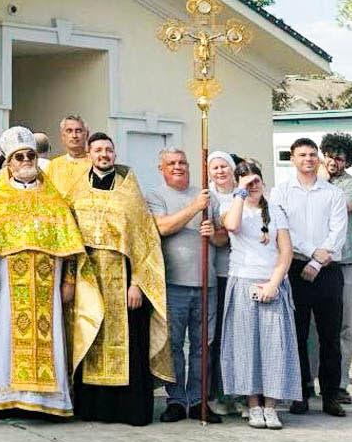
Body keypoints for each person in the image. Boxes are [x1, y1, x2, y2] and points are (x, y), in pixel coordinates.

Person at [0, 127, 97, 417]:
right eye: (19, 156)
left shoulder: (54, 200)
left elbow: (69, 247)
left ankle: (45, 402)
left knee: (48, 337)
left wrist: (68, 281)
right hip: (6, 285)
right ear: (9, 163)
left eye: (30, 155)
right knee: (4, 337)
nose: (26, 160)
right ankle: (6, 398)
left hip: (47, 285)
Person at [66, 132, 171, 426]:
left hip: (123, 277)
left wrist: (137, 282)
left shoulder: (130, 191)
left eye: (108, 150)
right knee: (90, 337)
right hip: (89, 278)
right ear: (89, 154)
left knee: (130, 345)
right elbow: (69, 239)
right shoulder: (75, 191)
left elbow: (144, 240)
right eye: (98, 150)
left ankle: (128, 411)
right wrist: (71, 280)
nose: (104, 154)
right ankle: (92, 408)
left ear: (114, 154)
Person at [266, 137, 348, 417]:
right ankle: (299, 393)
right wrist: (312, 255)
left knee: (330, 336)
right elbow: (283, 229)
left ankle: (331, 395)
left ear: (319, 159)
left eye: (313, 155)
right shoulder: (280, 192)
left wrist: (318, 262)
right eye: (302, 155)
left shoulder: (333, 193)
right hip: (296, 268)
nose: (308, 159)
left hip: (328, 271)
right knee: (297, 335)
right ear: (292, 159)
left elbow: (338, 232)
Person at [145, 147, 225, 422]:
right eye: (171, 163)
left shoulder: (206, 195)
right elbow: (162, 227)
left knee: (204, 345)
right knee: (175, 344)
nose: (178, 167)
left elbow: (224, 237)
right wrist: (194, 208)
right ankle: (177, 399)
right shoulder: (155, 196)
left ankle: (199, 400)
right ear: (162, 169)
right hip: (174, 283)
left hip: (207, 284)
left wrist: (214, 234)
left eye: (182, 162)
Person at [220, 160, 300, 430]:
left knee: (274, 347)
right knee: (247, 347)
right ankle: (253, 406)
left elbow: (285, 251)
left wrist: (274, 283)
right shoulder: (231, 204)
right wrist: (240, 192)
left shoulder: (275, 210)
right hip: (243, 280)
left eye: (255, 180)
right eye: (245, 180)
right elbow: (231, 226)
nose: (252, 185)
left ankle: (271, 406)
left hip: (272, 282)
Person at [317, 132, 352, 404]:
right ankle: (313, 381)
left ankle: (340, 383)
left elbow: (336, 209)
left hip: (347, 264)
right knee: (317, 327)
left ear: (348, 161)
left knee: (345, 327)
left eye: (339, 157)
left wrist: (322, 182)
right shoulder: (313, 182)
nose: (333, 161)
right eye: (329, 155)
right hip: (318, 264)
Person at [206, 150, 239, 415]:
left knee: (236, 335)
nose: (220, 172)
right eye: (215, 167)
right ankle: (215, 391)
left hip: (239, 272)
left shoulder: (243, 194)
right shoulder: (207, 197)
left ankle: (237, 392)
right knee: (215, 336)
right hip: (215, 273)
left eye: (224, 167)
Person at [45, 115, 91, 199]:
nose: (74, 135)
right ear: (63, 136)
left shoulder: (95, 164)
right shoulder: (54, 166)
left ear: (87, 135)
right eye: (69, 131)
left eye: (78, 131)